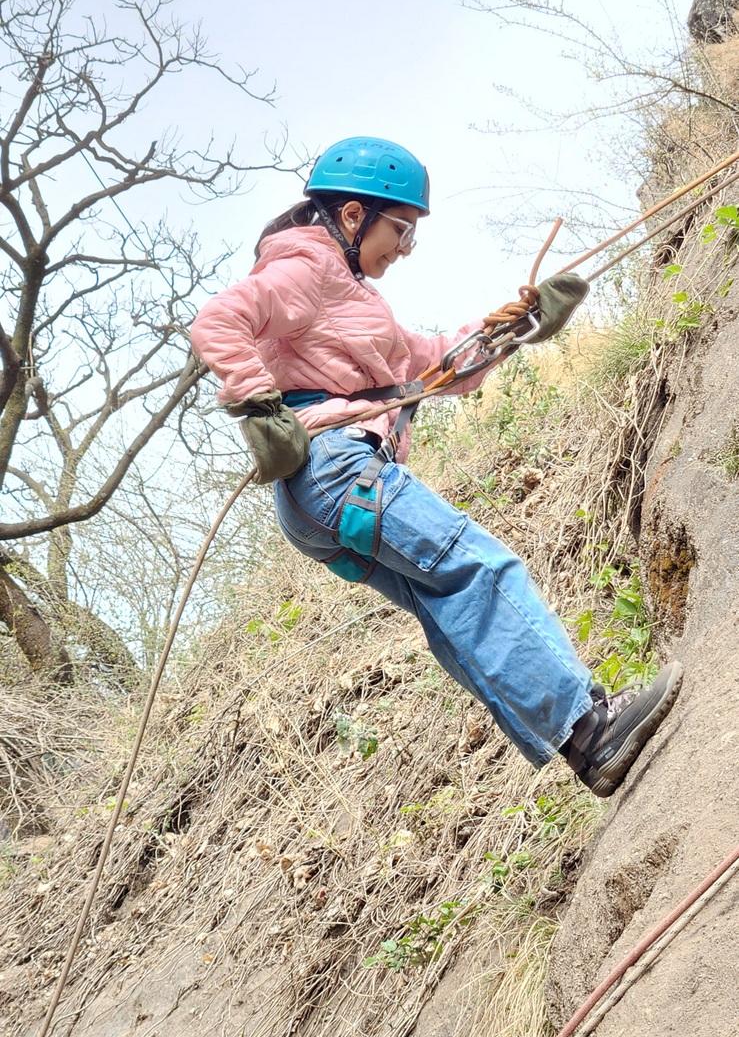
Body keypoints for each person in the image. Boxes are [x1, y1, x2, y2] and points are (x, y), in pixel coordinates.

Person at [190, 136, 682, 798]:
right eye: (401, 229)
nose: (405, 248)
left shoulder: (349, 296)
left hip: (320, 499)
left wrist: (517, 326)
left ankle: (583, 744)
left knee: (453, 604)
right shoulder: (306, 268)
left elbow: (433, 365)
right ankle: (591, 726)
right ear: (354, 215)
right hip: (337, 470)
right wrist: (259, 408)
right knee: (478, 568)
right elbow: (219, 321)